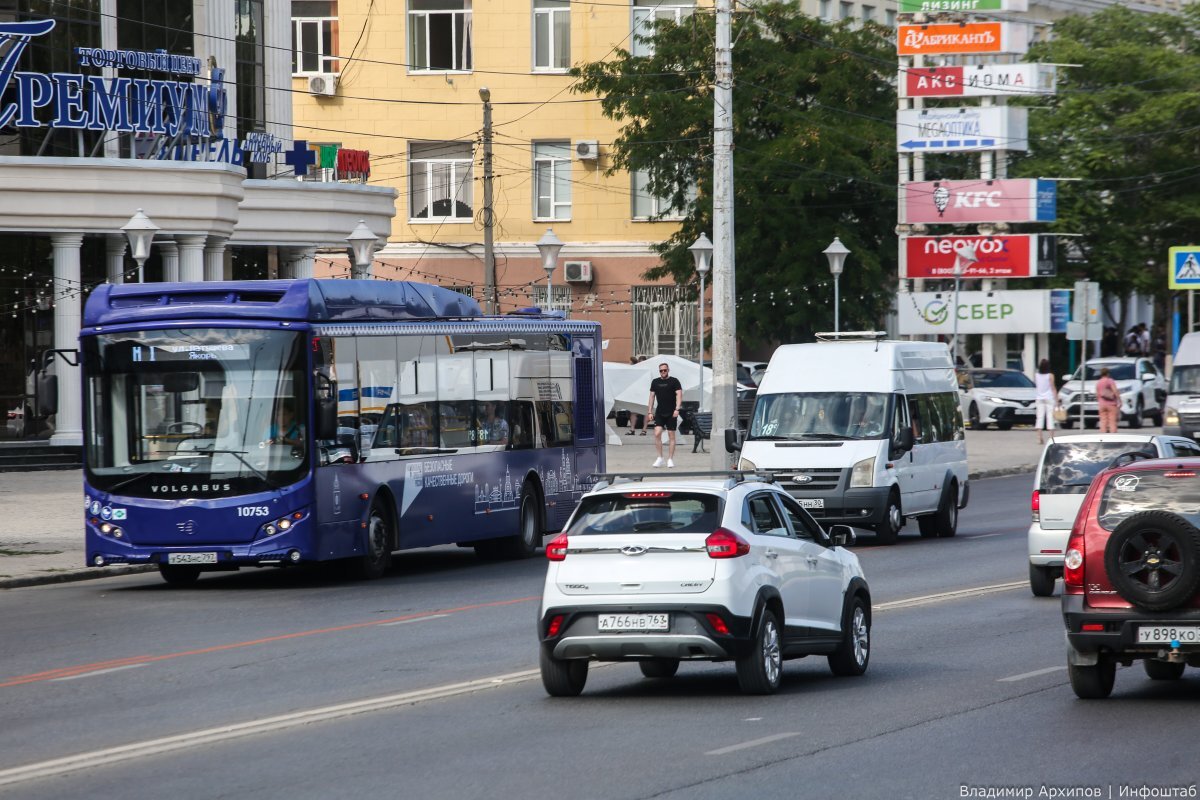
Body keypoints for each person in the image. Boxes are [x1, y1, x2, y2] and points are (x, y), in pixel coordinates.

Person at [647, 362, 683, 467]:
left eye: (665, 370)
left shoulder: (674, 381)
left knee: (671, 435)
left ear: (668, 370)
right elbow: (651, 397)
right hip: (660, 412)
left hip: (672, 412)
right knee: (657, 433)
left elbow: (679, 395)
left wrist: (677, 409)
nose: (663, 372)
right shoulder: (655, 382)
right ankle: (660, 457)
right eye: (661, 370)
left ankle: (670, 459)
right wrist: (649, 411)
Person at [1034, 359, 1059, 445]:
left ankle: (1039, 438)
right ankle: (1051, 438)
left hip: (1039, 398)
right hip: (1049, 397)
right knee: (1050, 417)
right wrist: (1057, 399)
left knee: (1040, 417)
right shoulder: (1050, 375)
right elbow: (1053, 388)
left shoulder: (1036, 375)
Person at [1095, 366, 1120, 433]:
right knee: (1112, 421)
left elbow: (1097, 394)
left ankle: (1103, 436)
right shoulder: (1110, 381)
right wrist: (1119, 400)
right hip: (1111, 404)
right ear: (1108, 373)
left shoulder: (1098, 382)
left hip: (1102, 404)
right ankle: (1113, 437)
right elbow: (1115, 391)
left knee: (1103, 421)